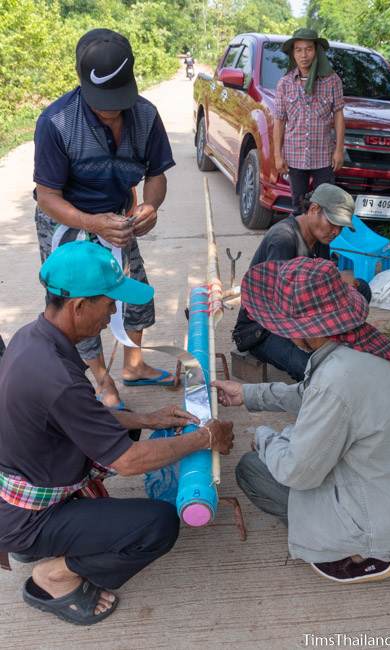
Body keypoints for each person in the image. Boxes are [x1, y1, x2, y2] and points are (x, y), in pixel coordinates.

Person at [0, 241, 234, 624]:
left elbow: (79, 415)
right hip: (24, 517)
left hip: (24, 477)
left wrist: (150, 420)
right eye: (109, 304)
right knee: (157, 526)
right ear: (79, 305)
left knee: (123, 424)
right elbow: (127, 463)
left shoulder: (35, 338)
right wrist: (206, 437)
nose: (113, 314)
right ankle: (54, 576)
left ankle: (46, 540)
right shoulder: (56, 376)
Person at [216, 256, 390, 584]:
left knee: (253, 468)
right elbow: (311, 394)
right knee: (292, 439)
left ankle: (356, 553)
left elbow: (296, 471)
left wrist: (263, 437)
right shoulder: (367, 348)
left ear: (302, 330)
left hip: (385, 527)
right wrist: (247, 394)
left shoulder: (337, 378)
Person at [33, 28, 176, 409]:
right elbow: (47, 196)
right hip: (66, 219)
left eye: (119, 98)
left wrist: (150, 206)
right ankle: (101, 380)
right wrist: (89, 223)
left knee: (136, 294)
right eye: (102, 101)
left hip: (117, 219)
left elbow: (157, 174)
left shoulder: (145, 116)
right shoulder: (57, 123)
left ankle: (133, 364)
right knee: (78, 304)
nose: (112, 109)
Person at [233, 183, 371, 381]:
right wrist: (308, 342)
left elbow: (320, 284)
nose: (336, 232)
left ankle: (337, 342)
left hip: (302, 315)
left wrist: (341, 283)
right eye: (332, 223)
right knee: (313, 370)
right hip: (262, 328)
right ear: (314, 209)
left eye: (340, 227)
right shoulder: (283, 239)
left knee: (361, 288)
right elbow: (276, 309)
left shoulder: (320, 238)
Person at [274, 28, 345, 215]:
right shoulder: (285, 83)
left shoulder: (332, 81)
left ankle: (321, 245)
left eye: (308, 49)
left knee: (325, 210)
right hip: (295, 156)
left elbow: (338, 115)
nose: (304, 55)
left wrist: (339, 150)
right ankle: (300, 244)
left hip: (324, 156)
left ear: (317, 51)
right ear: (293, 53)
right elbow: (279, 120)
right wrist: (277, 155)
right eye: (298, 50)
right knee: (298, 209)